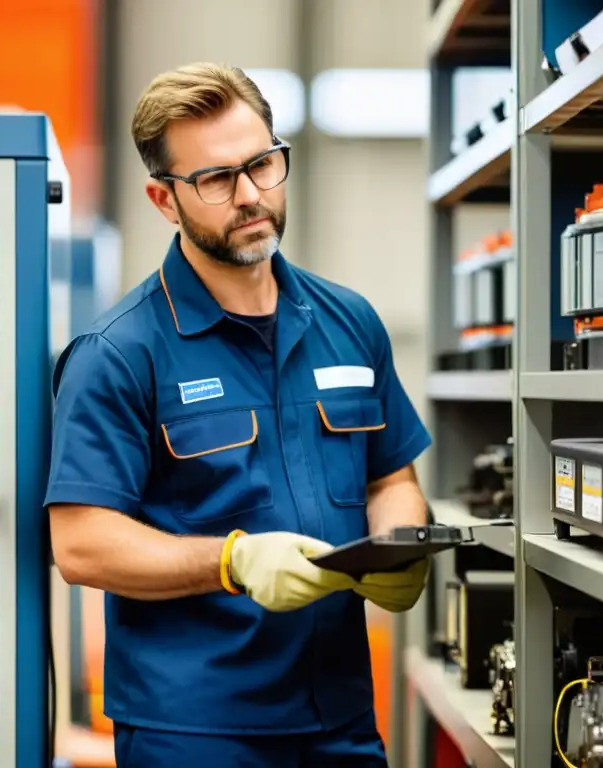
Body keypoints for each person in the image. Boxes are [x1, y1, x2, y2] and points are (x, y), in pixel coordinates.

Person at [46, 62, 433, 767]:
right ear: (164, 199)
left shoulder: (349, 322)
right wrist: (230, 561)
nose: (252, 195)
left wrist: (400, 537)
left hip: (340, 718)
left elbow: (390, 476)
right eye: (218, 179)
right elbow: (81, 545)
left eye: (263, 164)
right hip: (194, 732)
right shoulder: (121, 354)